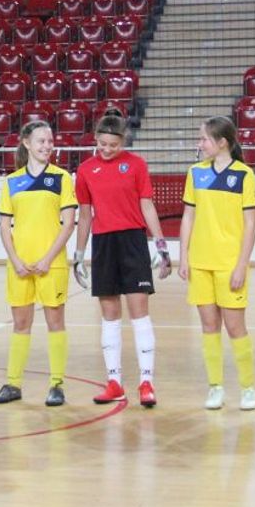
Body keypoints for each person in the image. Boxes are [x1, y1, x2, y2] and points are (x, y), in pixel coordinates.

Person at [73, 113, 169, 407]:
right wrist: (79, 255)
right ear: (96, 139)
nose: (107, 149)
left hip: (133, 242)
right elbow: (85, 215)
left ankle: (146, 382)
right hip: (103, 244)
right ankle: (114, 382)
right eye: (102, 144)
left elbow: (147, 206)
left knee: (139, 313)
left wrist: (161, 245)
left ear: (123, 141)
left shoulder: (137, 165)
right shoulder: (85, 170)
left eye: (113, 145)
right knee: (110, 314)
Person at [0, 120, 79, 407]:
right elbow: (4, 227)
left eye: (50, 141)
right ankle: (13, 383)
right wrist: (16, 260)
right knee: (20, 323)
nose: (47, 146)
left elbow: (68, 224)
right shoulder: (12, 181)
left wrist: (47, 259)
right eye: (41, 141)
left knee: (55, 323)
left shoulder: (61, 178)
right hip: (19, 266)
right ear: (26, 143)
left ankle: (56, 384)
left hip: (51, 265)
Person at [179, 116, 255, 411]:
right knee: (209, 327)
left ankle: (248, 388)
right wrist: (184, 256)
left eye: (204, 139)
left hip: (229, 263)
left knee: (235, 327)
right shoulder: (195, 173)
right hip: (201, 263)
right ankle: (215, 387)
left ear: (222, 142)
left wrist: (241, 265)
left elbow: (250, 225)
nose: (199, 144)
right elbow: (188, 216)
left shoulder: (244, 175)